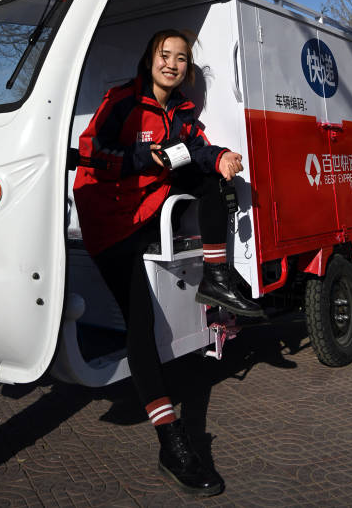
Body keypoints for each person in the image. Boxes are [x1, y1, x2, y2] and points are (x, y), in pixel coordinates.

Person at [73, 29, 262, 496]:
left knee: (211, 178)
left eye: (181, 58)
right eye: (165, 55)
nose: (173, 64)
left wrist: (220, 157)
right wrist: (141, 156)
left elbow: (196, 149)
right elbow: (90, 149)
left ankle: (217, 277)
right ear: (149, 58)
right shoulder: (122, 101)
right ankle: (171, 440)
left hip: (148, 214)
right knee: (142, 328)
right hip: (109, 221)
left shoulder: (182, 114)